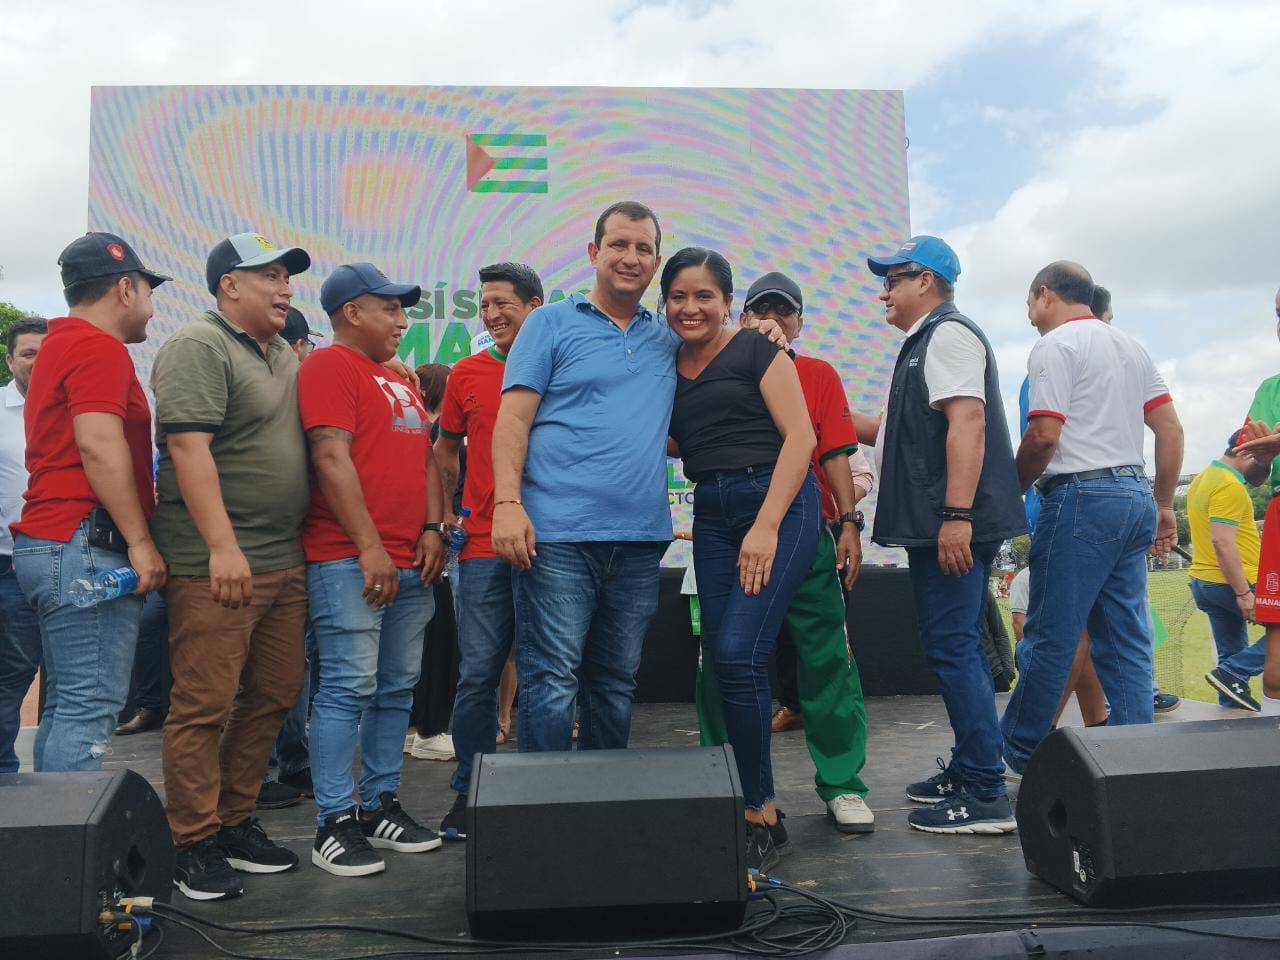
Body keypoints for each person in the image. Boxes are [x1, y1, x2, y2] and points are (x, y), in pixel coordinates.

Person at [153, 232, 312, 901]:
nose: (285, 288)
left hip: (283, 559)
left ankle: (234, 820)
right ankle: (191, 840)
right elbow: (188, 449)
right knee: (204, 704)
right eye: (270, 275)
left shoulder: (281, 355)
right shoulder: (199, 344)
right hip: (214, 563)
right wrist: (222, 545)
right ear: (229, 285)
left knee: (274, 694)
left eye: (287, 278)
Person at [853, 235, 1026, 834]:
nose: (884, 292)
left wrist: (957, 516)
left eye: (892, 280)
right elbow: (890, 433)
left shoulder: (946, 335)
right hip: (941, 524)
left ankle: (985, 792)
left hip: (951, 525)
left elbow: (967, 421)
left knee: (954, 648)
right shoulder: (924, 344)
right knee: (955, 646)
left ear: (924, 280)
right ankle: (973, 767)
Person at [697, 270, 874, 836]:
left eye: (785, 311)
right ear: (741, 315)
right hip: (732, 533)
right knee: (722, 655)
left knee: (826, 658)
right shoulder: (715, 366)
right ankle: (723, 778)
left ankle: (843, 784)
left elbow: (836, 451)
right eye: (761, 309)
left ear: (798, 324)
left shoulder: (817, 373)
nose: (772, 319)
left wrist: (848, 524)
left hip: (805, 534)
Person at [490, 202, 672, 753]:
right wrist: (507, 504)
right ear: (594, 253)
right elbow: (512, 420)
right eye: (619, 244)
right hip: (556, 539)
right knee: (550, 684)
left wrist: (765, 332)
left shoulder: (668, 338)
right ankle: (544, 806)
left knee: (614, 686)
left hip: (639, 541)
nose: (631, 257)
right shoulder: (549, 323)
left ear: (656, 261)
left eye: (643, 248)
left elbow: (725, 353)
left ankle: (603, 801)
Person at [663, 247, 819, 872]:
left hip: (774, 503)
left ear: (729, 302)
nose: (691, 307)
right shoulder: (666, 362)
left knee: (738, 654)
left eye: (705, 295)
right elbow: (677, 438)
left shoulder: (757, 349)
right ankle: (760, 808)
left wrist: (767, 525)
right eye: (678, 296)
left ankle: (758, 810)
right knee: (726, 663)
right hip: (712, 511)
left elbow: (802, 437)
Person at [1001, 262, 1184, 777]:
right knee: (1125, 637)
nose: (1030, 317)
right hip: (1135, 493)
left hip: (1080, 495)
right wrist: (1164, 504)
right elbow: (1170, 430)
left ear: (1045, 294)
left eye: (1029, 304)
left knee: (1050, 636)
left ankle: (1016, 753)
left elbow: (1043, 436)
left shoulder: (1055, 346)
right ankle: (1134, 756)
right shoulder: (1131, 347)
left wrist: (1008, 495)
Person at [304, 262, 448, 878]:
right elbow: (330, 457)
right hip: (348, 558)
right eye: (389, 308)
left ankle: (380, 804)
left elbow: (426, 462)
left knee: (395, 690)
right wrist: (368, 547)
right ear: (351, 312)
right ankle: (333, 821)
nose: (401, 320)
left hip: (410, 558)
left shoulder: (397, 378)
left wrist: (434, 527)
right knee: (348, 686)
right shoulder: (328, 366)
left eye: (402, 309)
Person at [12, 233, 169, 772]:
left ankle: (54, 824)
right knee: (88, 708)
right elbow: (98, 445)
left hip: (56, 541)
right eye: (149, 292)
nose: (151, 306)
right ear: (126, 289)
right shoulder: (98, 346)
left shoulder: (60, 344)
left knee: (67, 706)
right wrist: (140, 542)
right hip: (85, 542)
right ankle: (71, 829)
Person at [435, 262, 543, 839]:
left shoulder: (561, 364)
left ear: (534, 307)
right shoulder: (466, 374)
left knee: (549, 673)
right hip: (481, 547)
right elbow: (444, 450)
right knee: (477, 673)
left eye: (503, 303)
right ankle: (469, 789)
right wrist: (444, 516)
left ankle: (546, 791)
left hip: (552, 545)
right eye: (484, 307)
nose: (492, 315)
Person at [1229, 286, 1280, 717]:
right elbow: (1253, 471)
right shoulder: (1269, 389)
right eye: (1279, 314)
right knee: (1275, 675)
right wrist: (1262, 457)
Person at [406, 362, 459, 764]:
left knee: (418, 645)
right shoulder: (434, 432)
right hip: (430, 542)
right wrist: (441, 524)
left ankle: (416, 728)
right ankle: (428, 729)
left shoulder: (415, 429)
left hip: (417, 539)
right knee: (438, 641)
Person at [1188, 437, 1266, 711]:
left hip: (1205, 583)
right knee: (1233, 664)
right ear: (1246, 452)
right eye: (1263, 459)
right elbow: (1222, 541)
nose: (1265, 467)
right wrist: (1243, 593)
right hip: (1234, 583)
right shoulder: (1229, 485)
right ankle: (1235, 670)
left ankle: (1231, 715)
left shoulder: (1203, 478)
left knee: (1230, 652)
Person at [0, 317, 47, 771]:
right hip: (8, 565)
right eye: (29, 353)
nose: (38, 361)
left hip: (61, 559)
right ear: (11, 360)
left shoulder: (72, 408)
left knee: (65, 681)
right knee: (12, 674)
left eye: (45, 353)